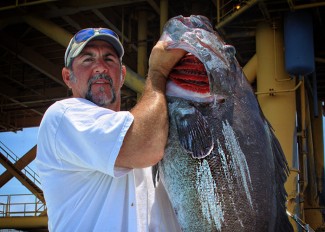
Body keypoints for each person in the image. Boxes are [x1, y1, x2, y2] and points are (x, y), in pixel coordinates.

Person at [35, 28, 185, 231]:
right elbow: (144, 146)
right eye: (88, 60)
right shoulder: (61, 117)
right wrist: (157, 74)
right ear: (67, 77)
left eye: (109, 59)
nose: (100, 68)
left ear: (122, 75)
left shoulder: (152, 130)